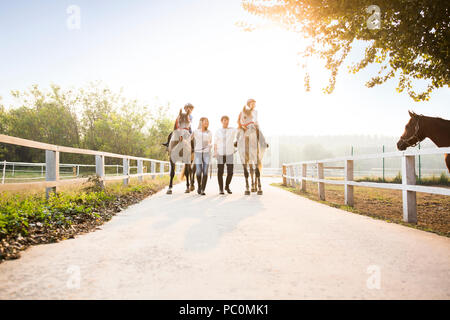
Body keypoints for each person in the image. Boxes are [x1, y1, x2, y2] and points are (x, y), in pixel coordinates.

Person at [214, 116, 237, 194]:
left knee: (230, 172)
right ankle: (221, 189)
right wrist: (215, 152)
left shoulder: (232, 130)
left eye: (227, 120)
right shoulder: (218, 131)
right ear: (221, 121)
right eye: (224, 120)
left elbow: (240, 129)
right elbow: (215, 142)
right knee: (220, 172)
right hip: (220, 154)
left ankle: (227, 186)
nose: (226, 122)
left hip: (229, 154)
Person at [192, 117, 212, 195]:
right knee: (198, 172)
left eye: (207, 121)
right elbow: (189, 138)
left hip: (206, 153)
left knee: (205, 172)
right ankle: (199, 187)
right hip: (198, 153)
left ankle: (203, 189)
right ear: (201, 122)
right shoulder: (196, 131)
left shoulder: (209, 132)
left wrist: (210, 145)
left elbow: (210, 141)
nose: (206, 122)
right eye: (205, 121)